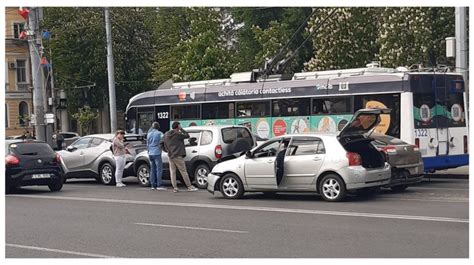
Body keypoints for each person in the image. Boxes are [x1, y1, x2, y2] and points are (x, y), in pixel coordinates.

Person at [161, 121, 198, 193]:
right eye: (179, 125)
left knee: (172, 172)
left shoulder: (166, 134)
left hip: (170, 155)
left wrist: (166, 150)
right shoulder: (178, 134)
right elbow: (187, 135)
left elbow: (161, 143)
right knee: (183, 171)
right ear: (178, 126)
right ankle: (189, 186)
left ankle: (175, 187)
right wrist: (182, 129)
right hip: (178, 155)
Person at [147, 122, 166, 190]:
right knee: (159, 169)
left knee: (152, 169)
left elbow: (147, 144)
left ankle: (153, 184)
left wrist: (148, 151)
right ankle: (159, 184)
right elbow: (164, 140)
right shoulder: (159, 133)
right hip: (157, 152)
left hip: (150, 153)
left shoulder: (149, 134)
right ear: (158, 127)